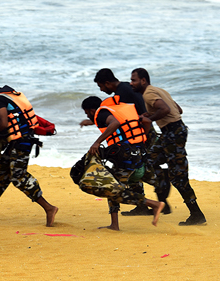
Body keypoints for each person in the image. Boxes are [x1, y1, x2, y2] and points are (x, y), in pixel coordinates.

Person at [0, 78, 58, 227]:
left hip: (22, 142)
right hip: (19, 141)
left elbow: (3, 122)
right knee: (1, 172)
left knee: (18, 176)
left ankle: (49, 208)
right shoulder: (6, 95)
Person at [82, 68, 169, 216]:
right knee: (137, 169)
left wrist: (97, 142)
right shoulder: (123, 90)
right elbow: (122, 117)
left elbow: (118, 120)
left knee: (136, 170)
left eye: (101, 86)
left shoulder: (122, 92)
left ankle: (159, 200)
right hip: (139, 132)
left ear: (107, 83)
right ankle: (148, 204)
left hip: (142, 133)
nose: (102, 90)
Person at [130, 68, 206, 226]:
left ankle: (196, 214)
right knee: (149, 159)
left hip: (173, 133)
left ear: (143, 81)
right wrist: (149, 115)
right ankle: (163, 192)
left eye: (134, 80)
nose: (131, 83)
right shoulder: (159, 90)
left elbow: (165, 109)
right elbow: (179, 110)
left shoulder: (148, 94)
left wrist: (149, 118)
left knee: (179, 177)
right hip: (172, 132)